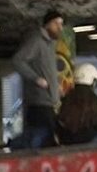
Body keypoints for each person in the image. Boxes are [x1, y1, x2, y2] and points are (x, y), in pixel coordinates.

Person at [10, 8, 65, 147]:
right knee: (43, 139)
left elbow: (47, 69)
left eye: (61, 24)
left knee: (48, 139)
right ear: (47, 24)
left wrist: (55, 86)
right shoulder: (36, 41)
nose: (60, 27)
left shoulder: (50, 44)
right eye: (56, 23)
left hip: (48, 101)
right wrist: (36, 79)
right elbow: (18, 60)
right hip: (39, 102)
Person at [51, 63, 97, 145]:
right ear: (92, 81)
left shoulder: (66, 99)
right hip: (89, 142)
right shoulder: (94, 101)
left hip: (67, 141)